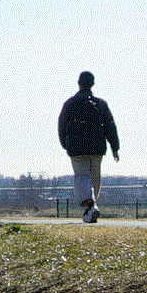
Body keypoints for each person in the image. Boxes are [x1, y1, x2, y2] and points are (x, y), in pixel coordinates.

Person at [57, 70, 121, 223]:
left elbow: (62, 124)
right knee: (95, 178)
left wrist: (65, 143)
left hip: (76, 147)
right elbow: (110, 125)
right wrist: (115, 147)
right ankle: (92, 207)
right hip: (97, 147)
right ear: (93, 84)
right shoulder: (100, 104)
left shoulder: (70, 103)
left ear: (78, 83)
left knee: (81, 176)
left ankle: (90, 206)